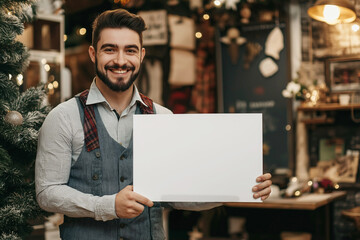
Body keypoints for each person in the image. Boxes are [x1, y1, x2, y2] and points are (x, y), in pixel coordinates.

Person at [35, 8, 272, 240]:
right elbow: (47, 193)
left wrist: (242, 184)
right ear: (93, 53)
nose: (120, 60)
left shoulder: (162, 117)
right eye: (109, 49)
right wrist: (106, 206)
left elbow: (180, 196)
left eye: (130, 50)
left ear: (141, 55)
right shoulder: (64, 117)